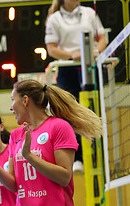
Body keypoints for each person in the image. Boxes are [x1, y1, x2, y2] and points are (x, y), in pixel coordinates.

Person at [45, 0, 107, 173]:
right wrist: (73, 55)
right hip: (67, 67)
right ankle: (77, 157)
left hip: (91, 64)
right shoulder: (55, 18)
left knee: (94, 108)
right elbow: (51, 49)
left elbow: (102, 39)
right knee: (69, 112)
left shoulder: (89, 13)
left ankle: (97, 153)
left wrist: (95, 52)